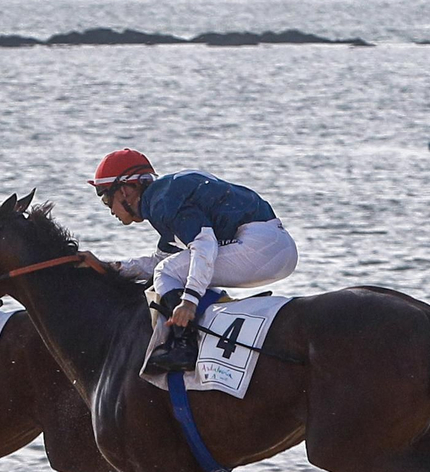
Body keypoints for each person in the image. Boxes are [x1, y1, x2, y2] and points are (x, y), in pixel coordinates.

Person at [89, 149, 297, 374]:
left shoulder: (162, 203)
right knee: (170, 268)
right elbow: (160, 260)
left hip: (260, 247)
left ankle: (184, 345)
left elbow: (203, 244)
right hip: (278, 246)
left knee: (167, 272)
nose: (110, 210)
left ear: (126, 190)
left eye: (106, 199)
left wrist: (189, 301)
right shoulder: (165, 196)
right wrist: (108, 267)